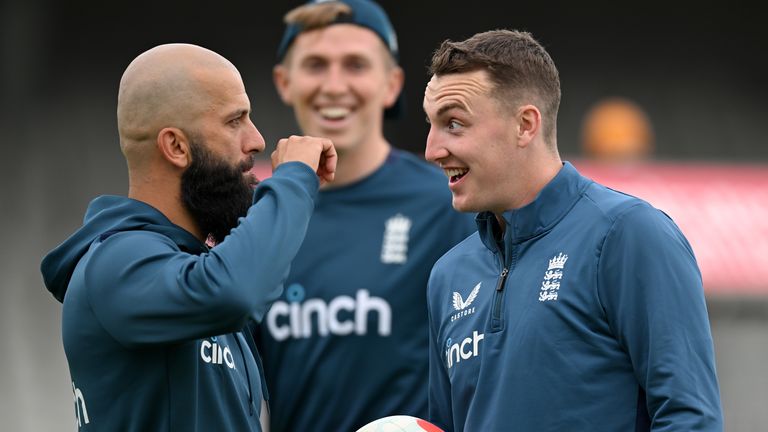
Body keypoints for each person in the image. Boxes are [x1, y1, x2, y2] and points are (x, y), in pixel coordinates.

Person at [422, 30, 723, 431]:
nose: (432, 149)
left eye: (454, 124)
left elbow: (691, 418)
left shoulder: (628, 234)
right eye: (432, 124)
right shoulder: (447, 276)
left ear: (525, 125)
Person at [40, 43, 336, 431]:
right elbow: (236, 291)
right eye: (235, 121)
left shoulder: (190, 269)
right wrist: (292, 182)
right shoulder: (115, 261)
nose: (258, 140)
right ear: (176, 146)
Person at [252, 1, 476, 431]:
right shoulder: (259, 214)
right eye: (316, 65)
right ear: (284, 81)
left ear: (392, 84)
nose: (335, 86)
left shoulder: (447, 204)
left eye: (355, 65)